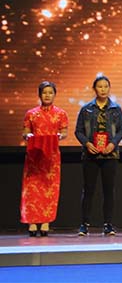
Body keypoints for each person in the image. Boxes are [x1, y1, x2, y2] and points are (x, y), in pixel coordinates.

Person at [74, 75, 122, 237]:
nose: (103, 90)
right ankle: (84, 224)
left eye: (106, 86)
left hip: (110, 155)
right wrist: (87, 144)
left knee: (108, 191)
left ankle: (108, 224)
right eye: (100, 86)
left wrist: (113, 144)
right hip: (90, 155)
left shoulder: (116, 108)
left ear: (109, 88)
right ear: (94, 89)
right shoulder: (86, 109)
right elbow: (78, 131)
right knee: (88, 190)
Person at [20, 81, 69, 237]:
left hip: (51, 156)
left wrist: (59, 136)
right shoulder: (31, 113)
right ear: (39, 94)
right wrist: (28, 135)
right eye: (44, 92)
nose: (47, 95)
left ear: (54, 94)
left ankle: (46, 222)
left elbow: (64, 132)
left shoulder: (61, 113)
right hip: (34, 156)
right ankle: (32, 222)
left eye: (50, 92)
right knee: (32, 188)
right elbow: (25, 132)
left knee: (50, 188)